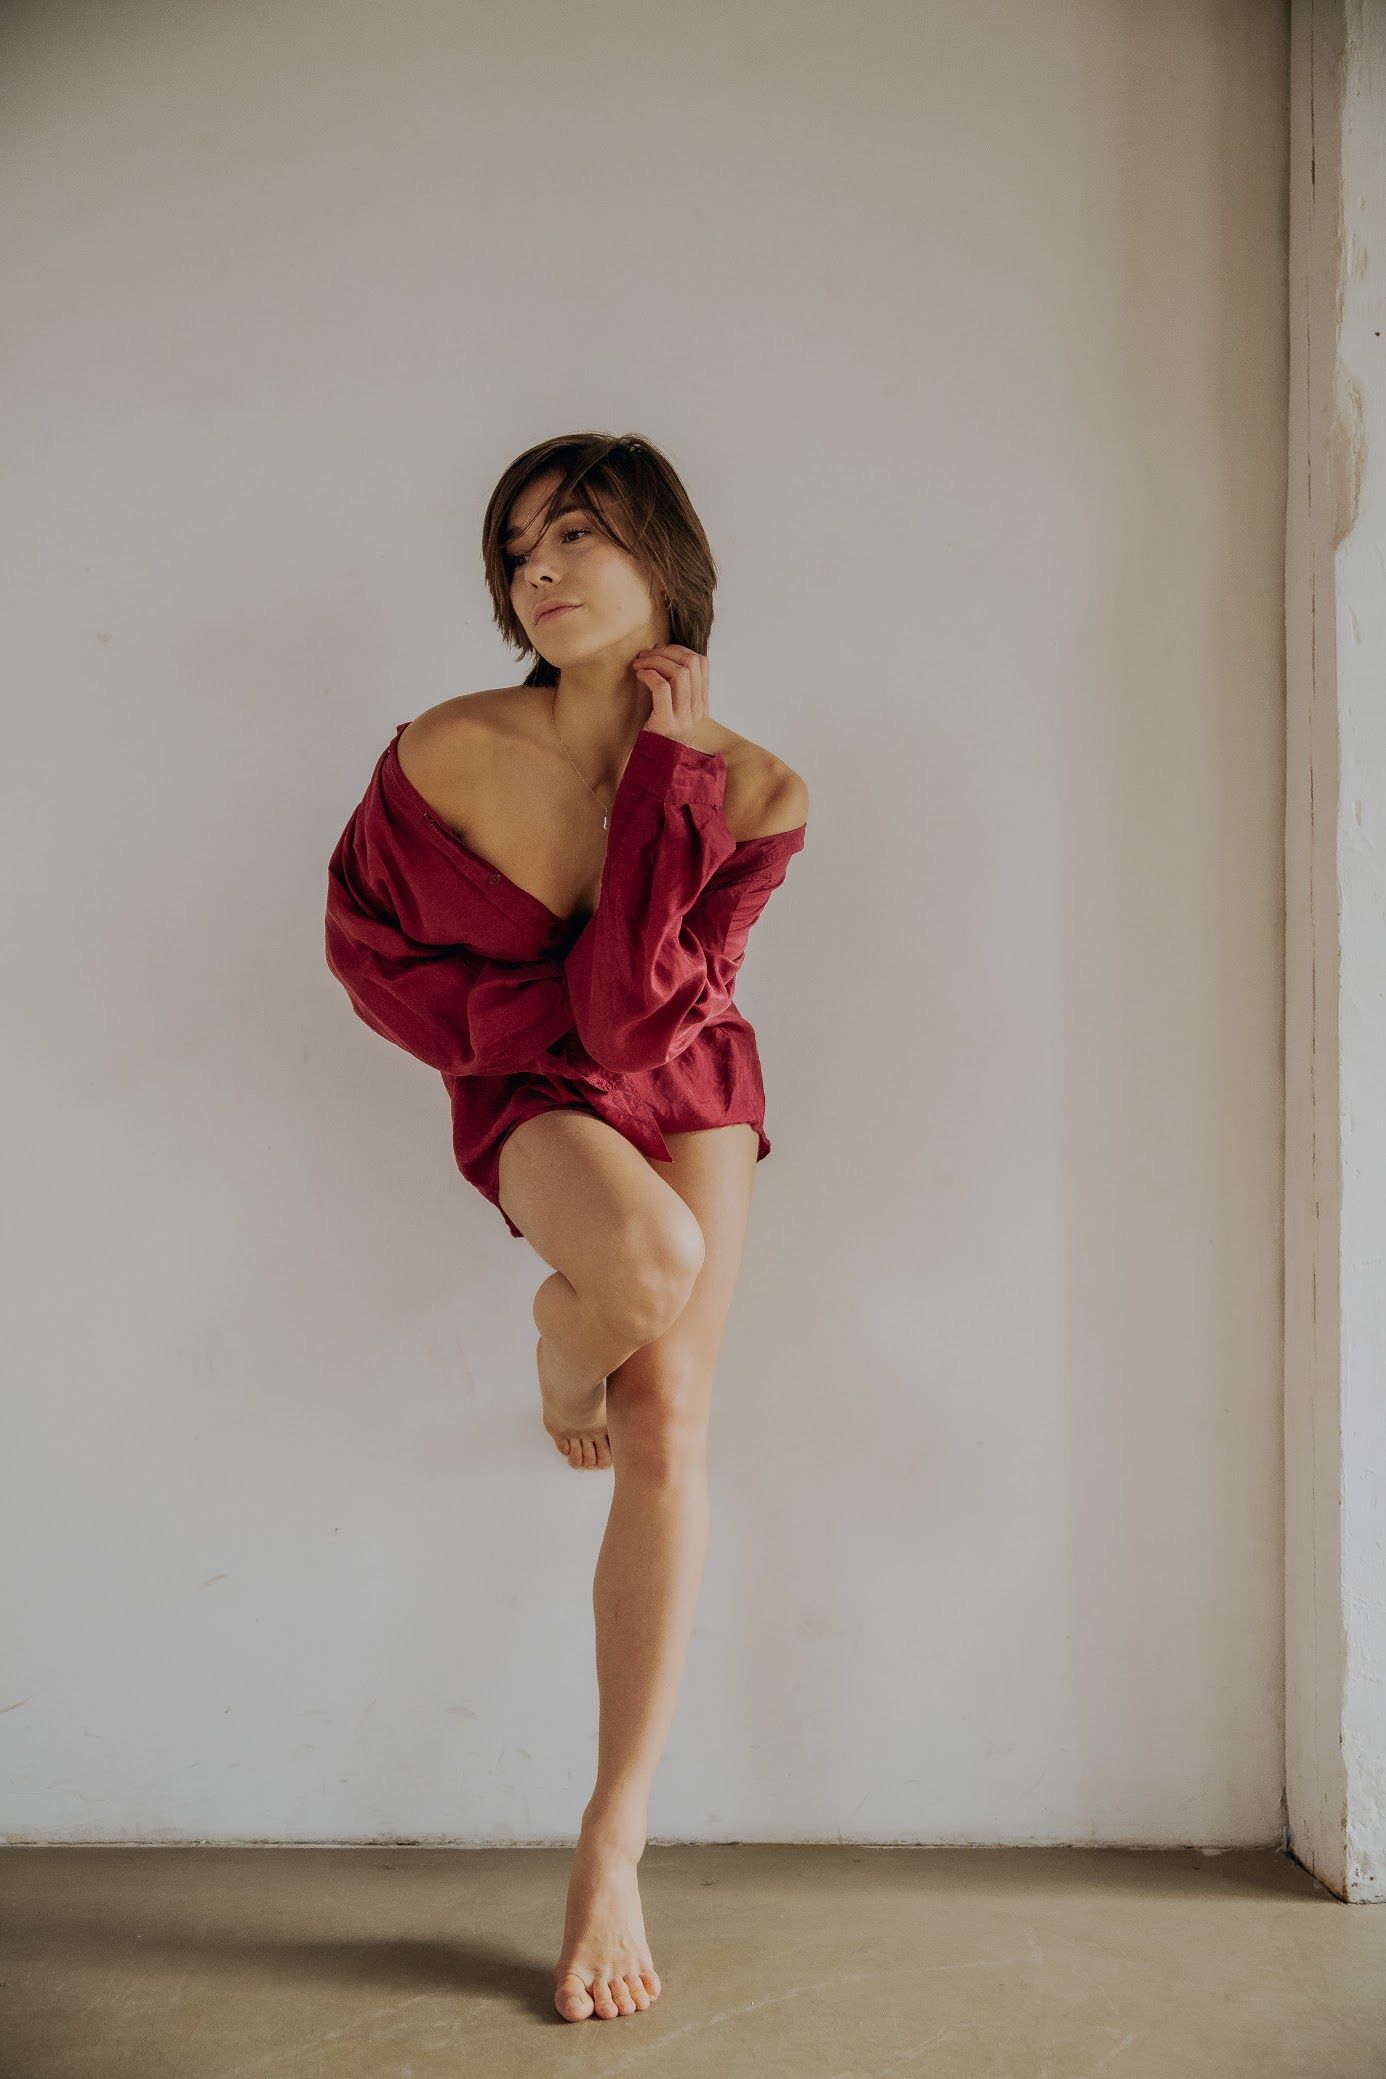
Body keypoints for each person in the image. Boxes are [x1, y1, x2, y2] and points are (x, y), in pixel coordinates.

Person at [324, 432, 808, 2024]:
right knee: (642, 1270)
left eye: (578, 533)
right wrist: (510, 1029)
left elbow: (640, 1016)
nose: (538, 568)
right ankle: (560, 1338)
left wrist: (666, 784)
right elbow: (374, 953)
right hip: (523, 1080)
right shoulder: (447, 749)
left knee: (671, 1426)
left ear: (664, 554)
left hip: (687, 1080)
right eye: (518, 544)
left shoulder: (754, 790)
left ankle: (612, 1842)